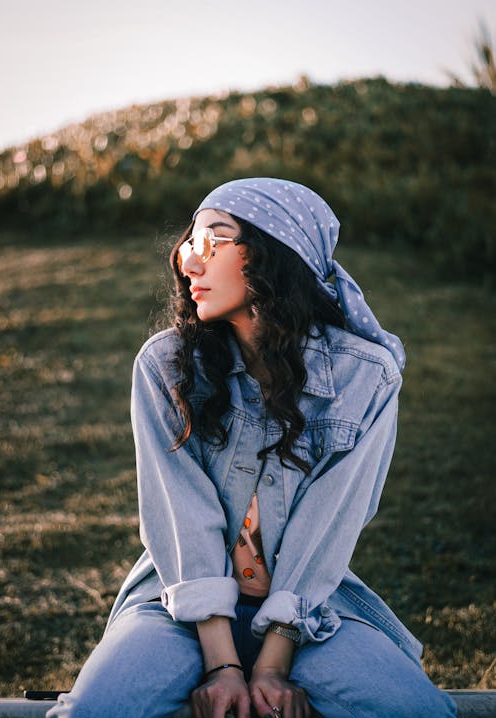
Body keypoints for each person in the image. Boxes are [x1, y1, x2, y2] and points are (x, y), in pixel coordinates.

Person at [47, 178, 457, 718]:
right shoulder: (166, 366)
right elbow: (181, 519)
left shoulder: (367, 378)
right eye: (189, 244)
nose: (190, 264)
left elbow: (328, 527)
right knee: (93, 711)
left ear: (274, 255)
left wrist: (271, 666)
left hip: (308, 610)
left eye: (213, 241)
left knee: (419, 711)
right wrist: (223, 666)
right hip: (179, 606)